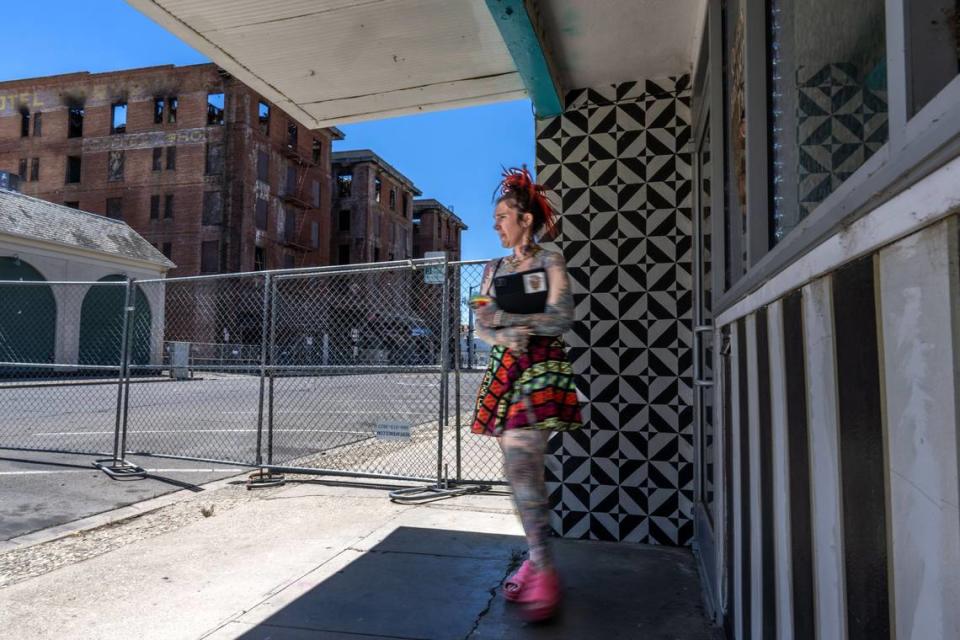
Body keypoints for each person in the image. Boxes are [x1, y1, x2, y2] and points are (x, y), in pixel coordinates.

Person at [470, 166, 583, 622]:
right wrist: (501, 327)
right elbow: (480, 322)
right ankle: (536, 561)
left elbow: (560, 315)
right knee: (520, 476)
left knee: (520, 464)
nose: (496, 225)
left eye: (502, 217)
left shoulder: (550, 258)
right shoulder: (492, 268)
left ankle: (544, 570)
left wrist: (510, 322)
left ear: (525, 220)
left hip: (540, 371)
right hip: (504, 374)